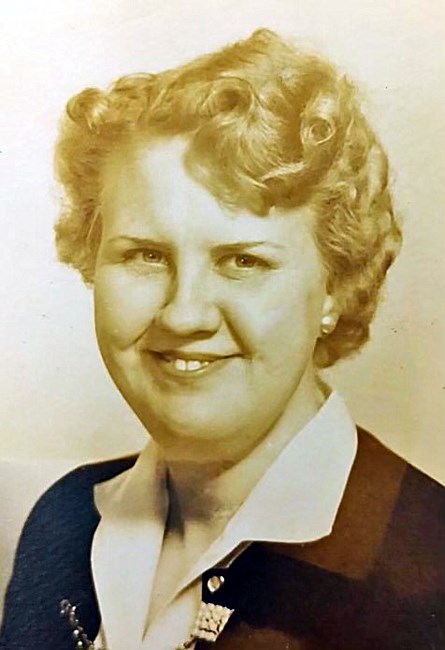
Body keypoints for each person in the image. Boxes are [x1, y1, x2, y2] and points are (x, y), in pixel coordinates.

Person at [1, 28, 444, 650]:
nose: (184, 315)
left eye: (243, 261)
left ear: (336, 286)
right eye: (146, 255)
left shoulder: (426, 574)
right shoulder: (66, 520)